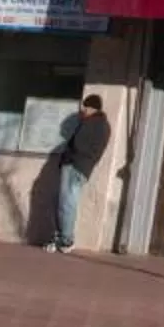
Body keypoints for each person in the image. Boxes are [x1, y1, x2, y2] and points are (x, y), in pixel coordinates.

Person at [50, 94, 112, 253]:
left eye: (85, 107)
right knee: (68, 201)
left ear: (93, 108)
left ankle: (66, 239)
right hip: (85, 168)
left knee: (66, 202)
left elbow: (78, 143)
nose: (83, 110)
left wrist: (67, 154)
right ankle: (63, 236)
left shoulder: (90, 123)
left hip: (74, 165)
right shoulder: (105, 125)